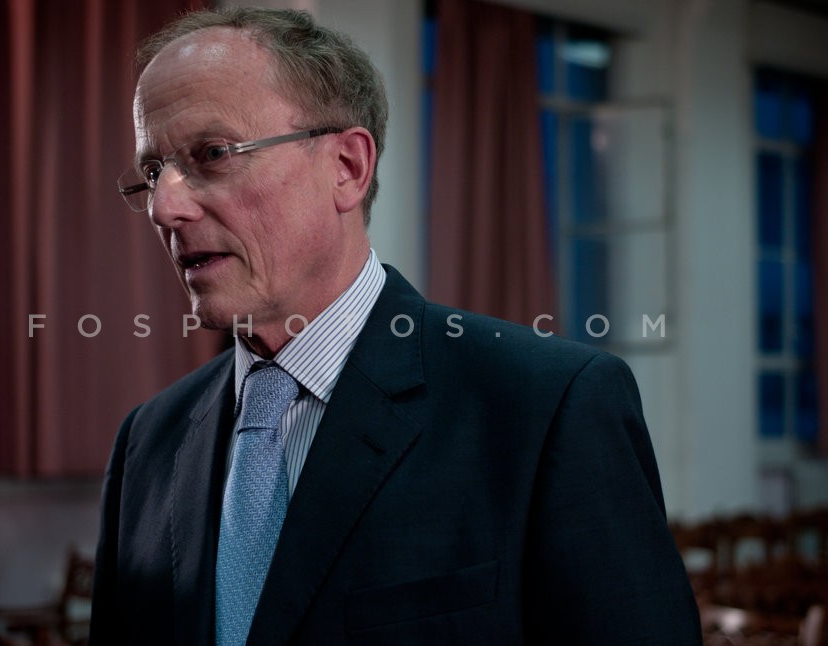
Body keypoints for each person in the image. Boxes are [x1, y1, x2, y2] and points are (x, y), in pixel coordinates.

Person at [91, 7, 701, 645]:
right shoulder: (148, 442)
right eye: (153, 171)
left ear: (347, 168)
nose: (164, 206)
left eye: (213, 154)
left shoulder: (548, 407)